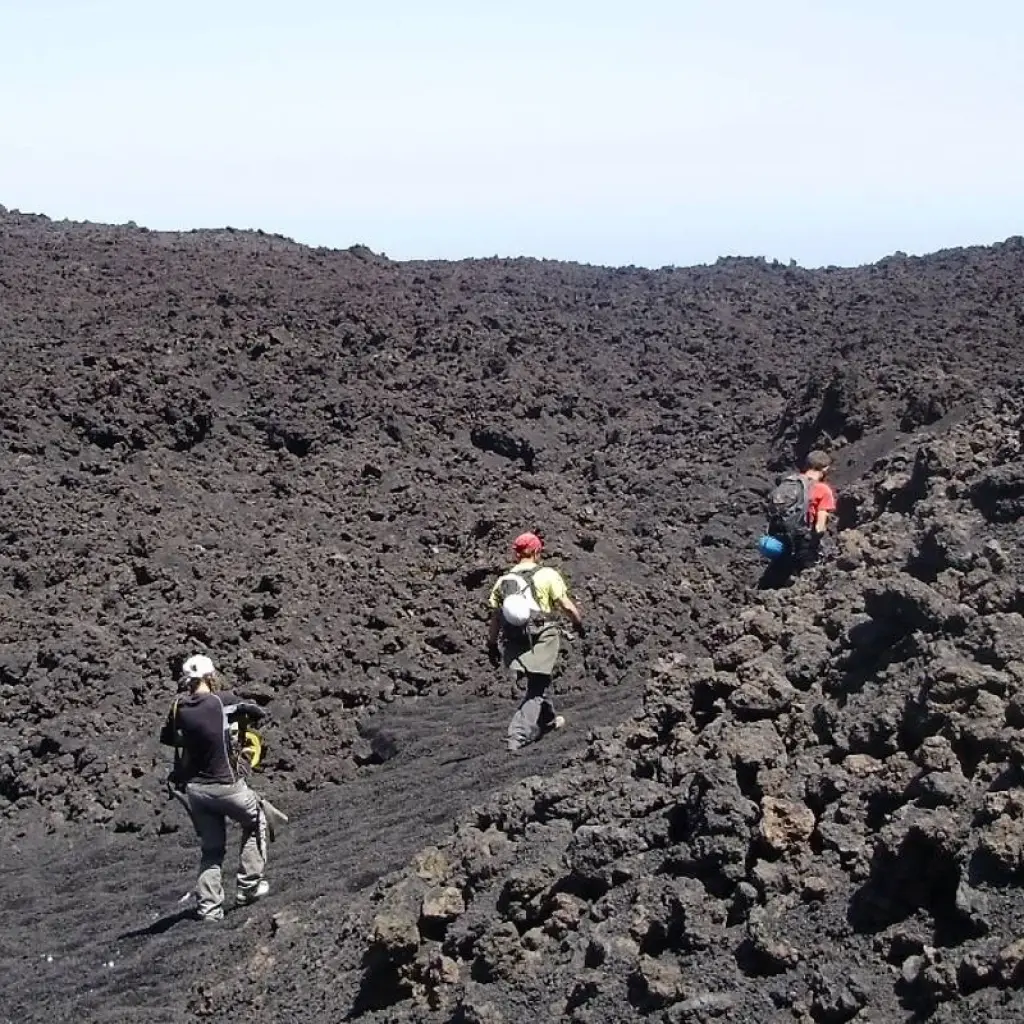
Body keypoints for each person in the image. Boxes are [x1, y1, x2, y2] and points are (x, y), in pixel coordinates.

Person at [159, 654, 271, 922]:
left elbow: (167, 738)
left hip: (196, 791)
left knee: (212, 849)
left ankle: (209, 909)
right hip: (226, 785)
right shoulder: (224, 701)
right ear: (211, 676)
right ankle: (249, 887)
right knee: (257, 820)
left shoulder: (178, 707)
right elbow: (257, 712)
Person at [487, 532, 584, 752]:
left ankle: (547, 721)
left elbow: (495, 617)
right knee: (537, 687)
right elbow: (566, 605)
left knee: (538, 680)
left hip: (514, 639)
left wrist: (491, 644)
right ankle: (517, 735)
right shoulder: (547, 575)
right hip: (542, 636)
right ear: (537, 551)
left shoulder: (503, 581)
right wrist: (578, 623)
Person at [758, 450, 837, 589]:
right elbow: (820, 525)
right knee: (808, 575)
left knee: (781, 571)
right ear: (824, 469)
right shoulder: (823, 490)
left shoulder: (790, 482)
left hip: (782, 536)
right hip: (802, 540)